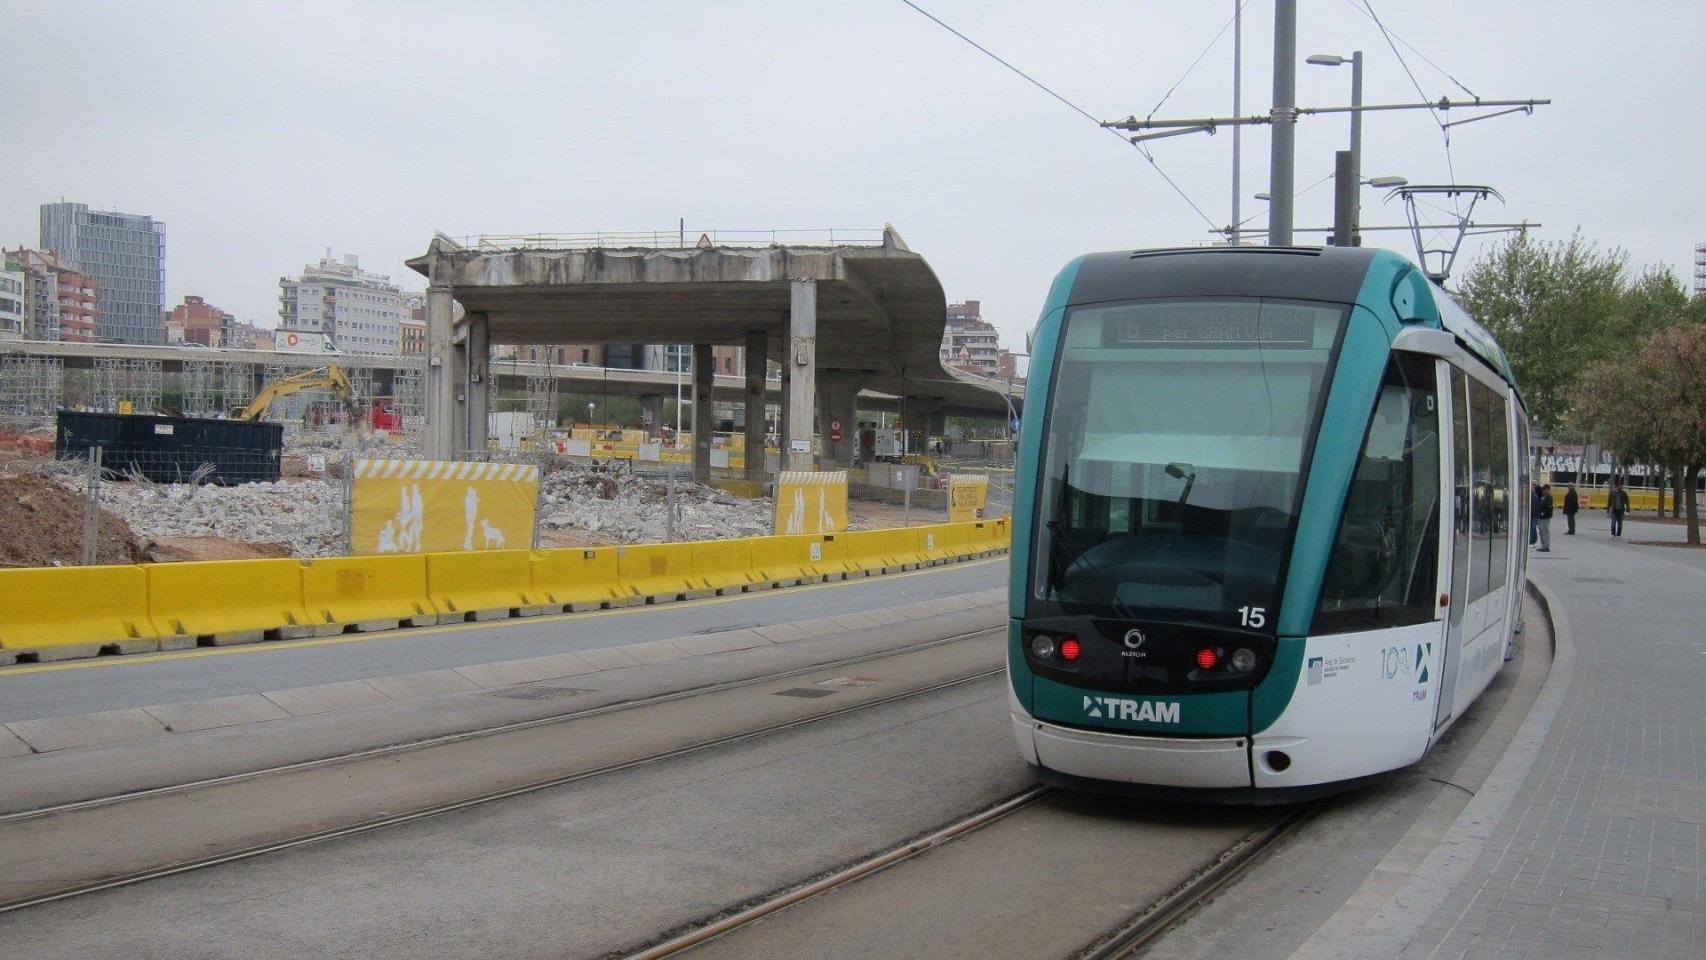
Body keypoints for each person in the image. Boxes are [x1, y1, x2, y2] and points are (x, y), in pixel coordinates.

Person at [1536, 483, 1554, 551]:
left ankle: (1546, 546)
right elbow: (1538, 491)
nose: (1543, 491)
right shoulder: (1544, 496)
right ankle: (1544, 545)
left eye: (1544, 490)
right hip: (1542, 517)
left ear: (1547, 490)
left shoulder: (1549, 497)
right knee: (1542, 531)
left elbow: (1549, 508)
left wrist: (1543, 513)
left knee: (1544, 531)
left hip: (1545, 517)